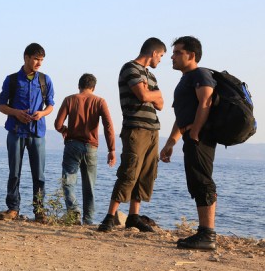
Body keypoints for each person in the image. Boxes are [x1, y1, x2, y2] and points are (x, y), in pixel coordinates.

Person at [97, 37, 166, 233]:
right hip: (135, 128)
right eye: (160, 56)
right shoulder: (130, 68)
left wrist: (152, 95)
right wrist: (152, 95)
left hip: (153, 129)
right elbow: (144, 96)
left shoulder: (150, 76)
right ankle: (110, 216)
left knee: (146, 173)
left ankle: (134, 216)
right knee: (130, 170)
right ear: (153, 53)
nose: (160, 60)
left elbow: (161, 103)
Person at [159, 36, 218, 250]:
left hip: (200, 137)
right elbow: (181, 115)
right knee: (196, 182)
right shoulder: (186, 79)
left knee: (202, 181)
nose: (172, 57)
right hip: (189, 135)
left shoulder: (201, 75)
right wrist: (171, 142)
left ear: (191, 55)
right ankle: (204, 233)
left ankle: (207, 234)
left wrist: (195, 132)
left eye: (177, 53)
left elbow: (206, 102)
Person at [0, 43, 55, 223]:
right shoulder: (12, 80)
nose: (39, 63)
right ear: (26, 57)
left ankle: (39, 211)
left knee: (39, 175)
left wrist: (42, 113)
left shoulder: (45, 80)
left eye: (42, 60)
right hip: (15, 132)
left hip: (37, 133)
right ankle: (13, 208)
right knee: (14, 172)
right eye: (36, 59)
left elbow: (51, 105)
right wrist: (16, 113)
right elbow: (1, 105)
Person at [53, 73, 116, 225]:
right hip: (91, 147)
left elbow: (58, 124)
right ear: (93, 87)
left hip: (72, 145)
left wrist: (64, 130)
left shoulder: (70, 99)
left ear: (79, 86)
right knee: (89, 186)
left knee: (68, 181)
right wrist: (111, 150)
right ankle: (88, 220)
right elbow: (108, 126)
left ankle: (74, 212)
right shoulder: (100, 101)